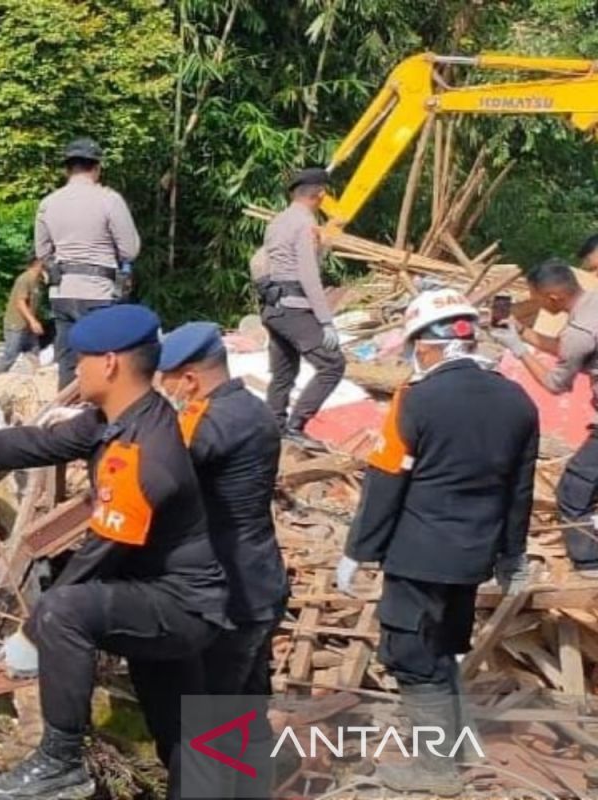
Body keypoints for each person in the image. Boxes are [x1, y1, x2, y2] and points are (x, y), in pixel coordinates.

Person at [0, 304, 229, 800]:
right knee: (181, 734)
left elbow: (102, 553)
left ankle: (60, 760)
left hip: (179, 605)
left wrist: (36, 633)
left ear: (111, 364)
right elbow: (39, 441)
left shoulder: (149, 451)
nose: (76, 368)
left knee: (61, 608)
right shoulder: (116, 419)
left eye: (83, 359)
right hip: (158, 595)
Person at [338, 289, 538, 796]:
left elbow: (387, 480)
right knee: (444, 647)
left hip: (418, 555)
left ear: (432, 343)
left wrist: (359, 550)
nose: (414, 356)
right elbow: (521, 489)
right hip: (473, 557)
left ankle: (435, 770)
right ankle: (454, 747)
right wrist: (511, 555)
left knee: (410, 654)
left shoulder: (419, 397)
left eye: (415, 346)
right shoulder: (518, 400)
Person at [157, 321, 289, 798]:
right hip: (260, 583)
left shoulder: (212, 420)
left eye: (166, 380)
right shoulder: (251, 407)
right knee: (248, 711)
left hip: (230, 595)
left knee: (209, 723)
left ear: (188, 379)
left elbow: (165, 475)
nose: (165, 391)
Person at [491, 259, 598, 576]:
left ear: (553, 297)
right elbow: (571, 351)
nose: (534, 302)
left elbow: (556, 384)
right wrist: (523, 333)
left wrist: (518, 351)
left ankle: (590, 566)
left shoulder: (579, 330)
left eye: (536, 296)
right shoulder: (591, 306)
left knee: (573, 489)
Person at [36, 137, 141, 389]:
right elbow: (130, 250)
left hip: (62, 293)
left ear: (66, 168)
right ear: (97, 167)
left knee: (68, 366)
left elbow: (42, 251)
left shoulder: (48, 203)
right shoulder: (109, 200)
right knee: (104, 367)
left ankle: (67, 419)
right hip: (99, 293)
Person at [259, 167, 345, 448]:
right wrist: (325, 320)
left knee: (284, 372)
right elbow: (308, 275)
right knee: (332, 365)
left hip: (273, 307)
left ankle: (274, 429)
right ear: (320, 194)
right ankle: (295, 427)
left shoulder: (278, 221)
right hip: (294, 307)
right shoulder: (305, 224)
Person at [0, 255, 45, 376]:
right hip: (16, 324)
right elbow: (20, 302)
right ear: (37, 263)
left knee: (34, 353)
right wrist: (33, 321)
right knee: (10, 355)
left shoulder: (37, 281)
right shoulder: (24, 279)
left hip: (28, 326)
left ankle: (37, 379)